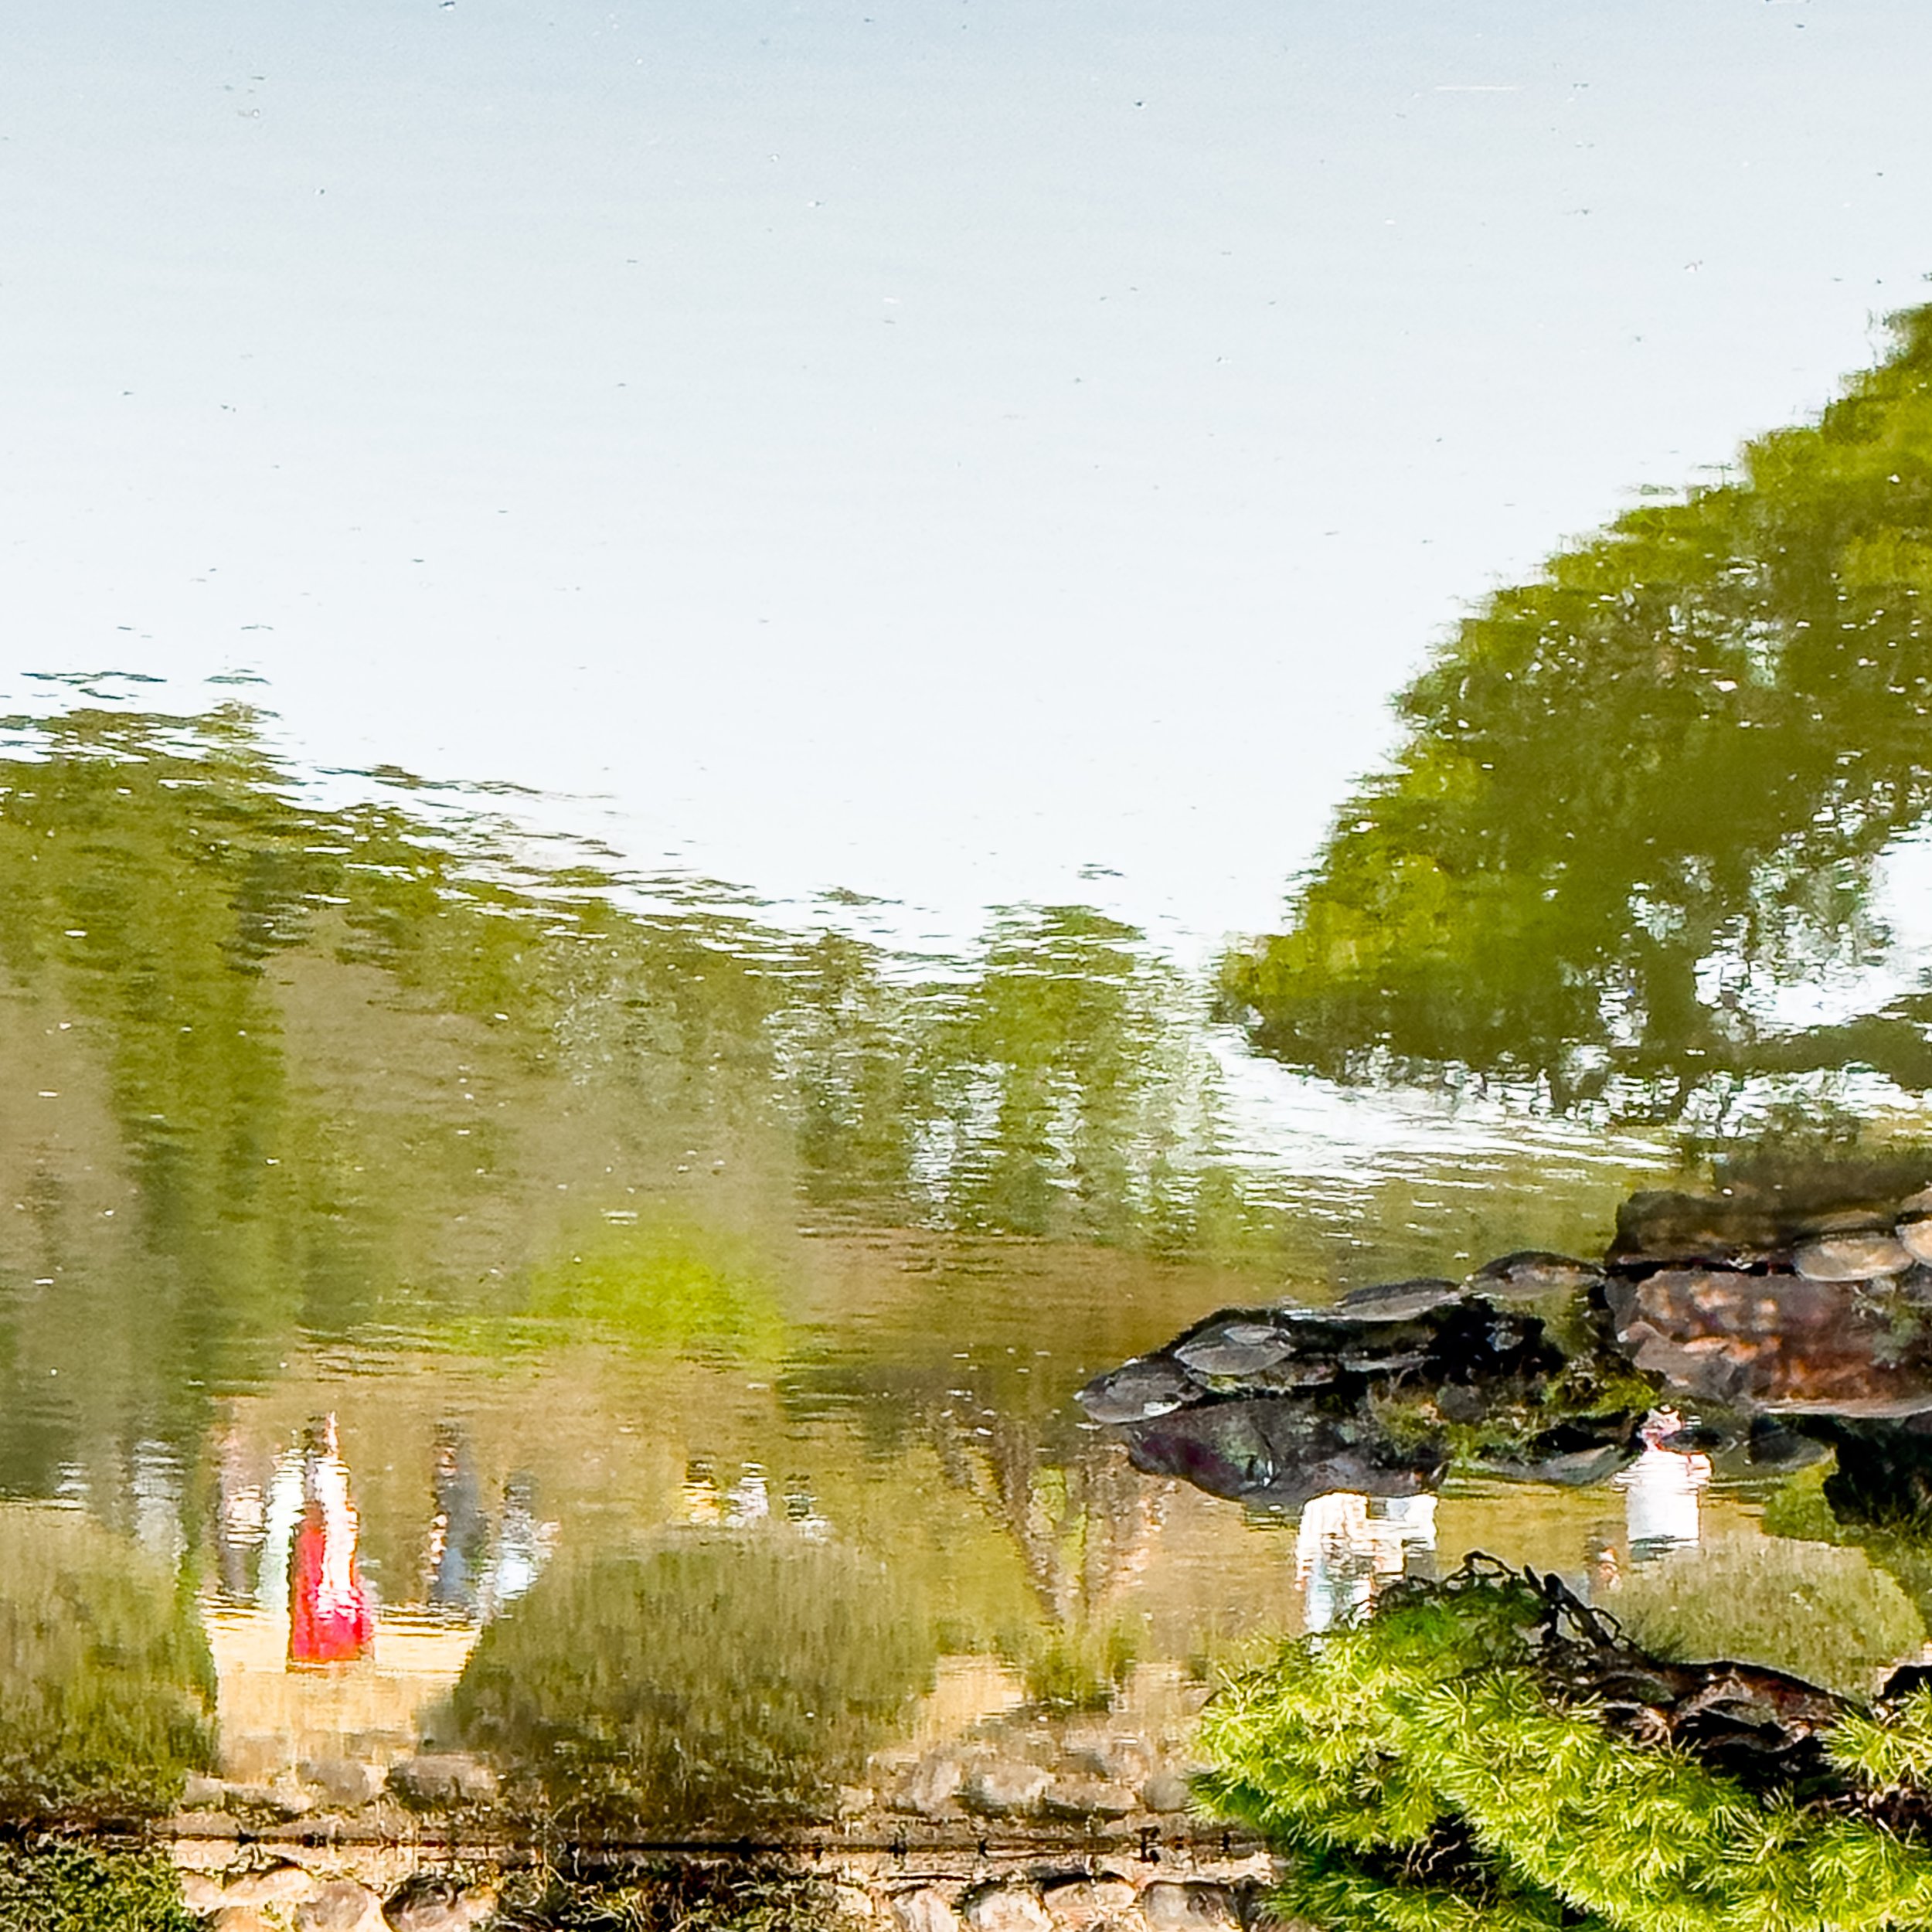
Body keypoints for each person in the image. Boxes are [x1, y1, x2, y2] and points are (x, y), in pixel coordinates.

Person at [289, 1414, 375, 1666]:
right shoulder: (324, 1472)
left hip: (327, 1536)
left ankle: (320, 1647)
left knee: (326, 1587)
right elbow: (323, 1512)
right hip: (325, 1538)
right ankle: (333, 1646)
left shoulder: (317, 1470)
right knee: (329, 1586)